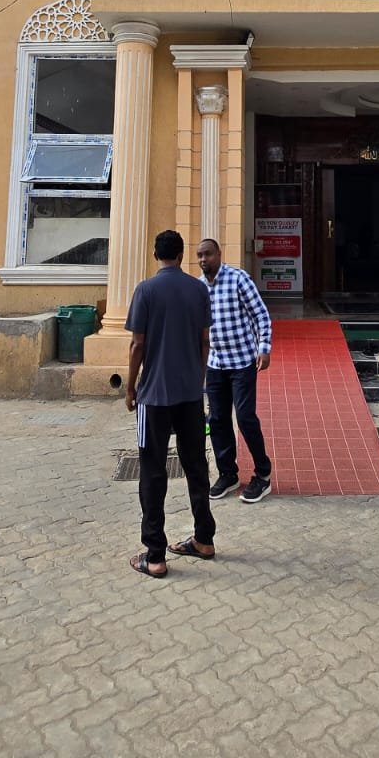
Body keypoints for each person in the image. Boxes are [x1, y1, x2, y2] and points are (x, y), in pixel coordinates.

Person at [125, 229, 216, 578]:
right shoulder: (198, 290)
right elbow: (205, 340)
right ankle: (204, 539)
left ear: (156, 255)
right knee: (196, 466)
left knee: (152, 471)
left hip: (154, 397)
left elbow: (137, 344)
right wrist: (198, 377)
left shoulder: (145, 290)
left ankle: (155, 555)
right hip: (190, 395)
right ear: (181, 255)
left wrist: (130, 387)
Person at [196, 237, 273, 504]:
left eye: (208, 254)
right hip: (215, 364)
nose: (203, 259)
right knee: (217, 419)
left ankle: (263, 474)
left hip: (242, 363)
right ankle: (228, 473)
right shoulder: (198, 287)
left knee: (245, 417)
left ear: (219, 254)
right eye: (199, 255)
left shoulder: (238, 279)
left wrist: (264, 348)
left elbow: (261, 315)